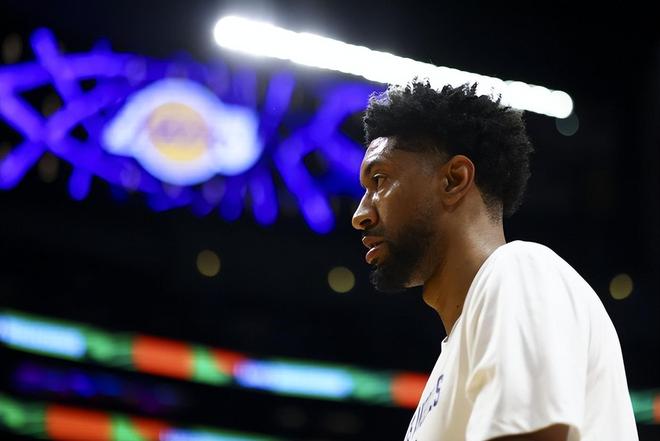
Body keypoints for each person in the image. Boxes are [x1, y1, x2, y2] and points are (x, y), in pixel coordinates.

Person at [351, 80, 638, 441]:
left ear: (454, 179)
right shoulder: (453, 354)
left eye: (379, 180)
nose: (360, 215)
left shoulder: (518, 270)